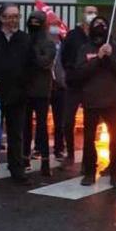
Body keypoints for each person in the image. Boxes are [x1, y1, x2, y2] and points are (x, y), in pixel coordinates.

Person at [69, 16, 116, 188]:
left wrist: (110, 57)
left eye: (103, 25)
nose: (100, 28)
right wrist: (98, 58)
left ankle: (115, 173)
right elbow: (80, 72)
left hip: (112, 100)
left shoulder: (114, 48)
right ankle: (89, 172)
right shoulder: (85, 48)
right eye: (96, 25)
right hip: (91, 99)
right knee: (89, 139)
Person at [0, 4, 34, 184]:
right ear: (1, 18)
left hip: (18, 94)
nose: (13, 20)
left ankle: (17, 170)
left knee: (16, 135)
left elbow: (31, 65)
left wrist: (25, 86)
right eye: (9, 16)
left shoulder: (25, 39)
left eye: (16, 16)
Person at [59, 5, 98, 164]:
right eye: (89, 12)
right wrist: (71, 71)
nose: (92, 15)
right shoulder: (73, 35)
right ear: (83, 15)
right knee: (68, 121)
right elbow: (64, 56)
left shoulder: (98, 35)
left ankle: (89, 158)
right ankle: (70, 153)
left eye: (94, 13)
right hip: (74, 83)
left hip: (91, 84)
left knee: (91, 124)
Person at [23, 10, 57, 175]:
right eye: (32, 21)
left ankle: (45, 162)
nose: (34, 25)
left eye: (37, 22)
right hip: (25, 88)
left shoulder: (48, 43)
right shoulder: (24, 39)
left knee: (42, 127)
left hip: (42, 90)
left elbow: (44, 62)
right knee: (25, 126)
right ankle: (24, 158)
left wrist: (32, 51)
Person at [49, 23, 69, 159]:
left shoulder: (64, 45)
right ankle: (39, 148)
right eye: (52, 26)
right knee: (40, 120)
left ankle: (59, 147)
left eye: (57, 25)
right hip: (45, 86)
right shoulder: (43, 43)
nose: (55, 29)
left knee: (60, 120)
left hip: (60, 86)